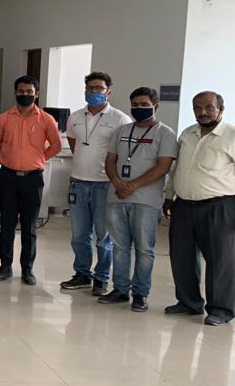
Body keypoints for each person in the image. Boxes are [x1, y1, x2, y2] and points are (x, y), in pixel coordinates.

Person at [100, 87, 176, 311]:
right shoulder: (122, 131)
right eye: (135, 104)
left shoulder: (165, 133)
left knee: (144, 249)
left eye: (144, 105)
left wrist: (132, 186)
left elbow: (163, 167)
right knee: (119, 247)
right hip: (117, 197)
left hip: (146, 201)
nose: (139, 108)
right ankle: (120, 289)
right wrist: (117, 183)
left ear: (156, 106)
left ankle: (140, 293)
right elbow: (110, 161)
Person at [164, 91, 235, 326]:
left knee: (220, 260)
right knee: (181, 256)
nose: (202, 112)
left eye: (209, 107)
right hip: (184, 205)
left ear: (221, 109)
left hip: (219, 206)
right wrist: (169, 196)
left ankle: (221, 309)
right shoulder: (187, 134)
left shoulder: (231, 136)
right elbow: (177, 169)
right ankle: (188, 303)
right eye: (197, 108)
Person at [61, 72, 131, 296]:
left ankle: (101, 278)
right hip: (78, 183)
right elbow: (75, 145)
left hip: (104, 185)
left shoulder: (120, 119)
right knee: (79, 235)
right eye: (90, 88)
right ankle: (82, 273)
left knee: (104, 236)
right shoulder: (75, 117)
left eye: (99, 88)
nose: (94, 92)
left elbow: (123, 153)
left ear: (108, 91)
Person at [0, 75, 62, 285]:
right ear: (15, 93)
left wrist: (39, 159)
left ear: (36, 94)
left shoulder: (46, 119)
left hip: (33, 179)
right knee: (7, 225)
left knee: (30, 227)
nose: (25, 95)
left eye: (29, 92)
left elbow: (56, 145)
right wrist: (7, 160)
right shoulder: (3, 118)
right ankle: (5, 267)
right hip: (8, 177)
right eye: (21, 91)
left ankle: (27, 270)